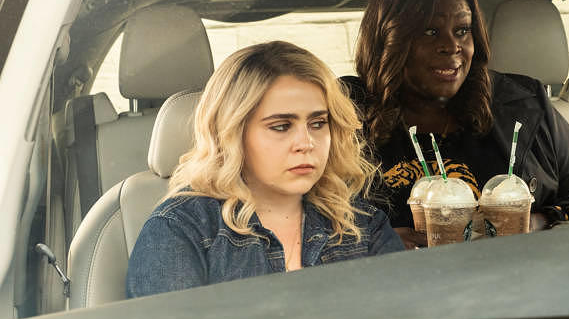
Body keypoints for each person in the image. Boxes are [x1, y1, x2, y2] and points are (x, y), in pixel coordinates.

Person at [347, 0, 569, 249]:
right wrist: (372, 243)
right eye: (430, 31)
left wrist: (537, 222)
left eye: (462, 30)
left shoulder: (523, 105)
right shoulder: (343, 115)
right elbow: (309, 220)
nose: (452, 46)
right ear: (391, 38)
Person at [126, 41, 403, 298]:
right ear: (233, 133)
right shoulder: (181, 229)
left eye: (318, 123)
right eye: (281, 126)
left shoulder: (362, 225)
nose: (306, 143)